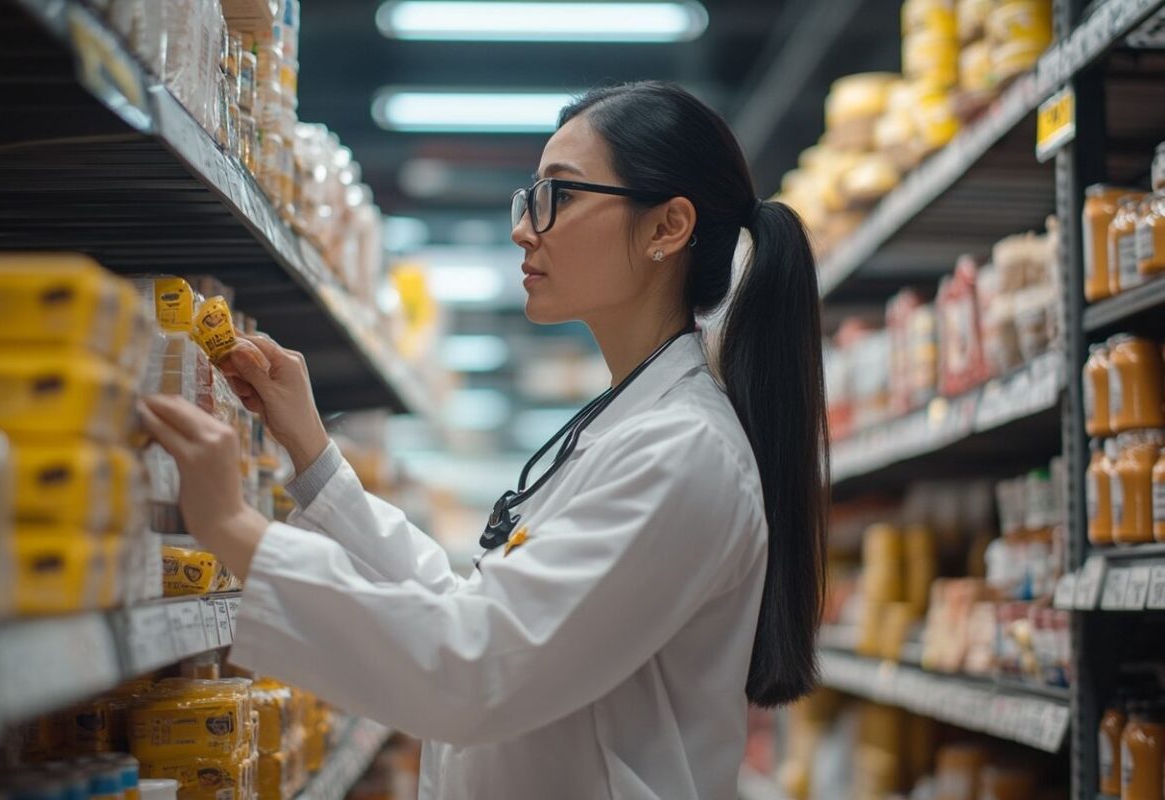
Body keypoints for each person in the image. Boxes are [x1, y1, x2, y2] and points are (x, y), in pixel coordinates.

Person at [139, 80, 828, 800]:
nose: (524, 227)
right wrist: (314, 459)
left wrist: (231, 526)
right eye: (529, 196)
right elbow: (470, 608)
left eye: (557, 195)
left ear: (666, 227)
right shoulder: (628, 426)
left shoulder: (684, 453)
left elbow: (473, 667)